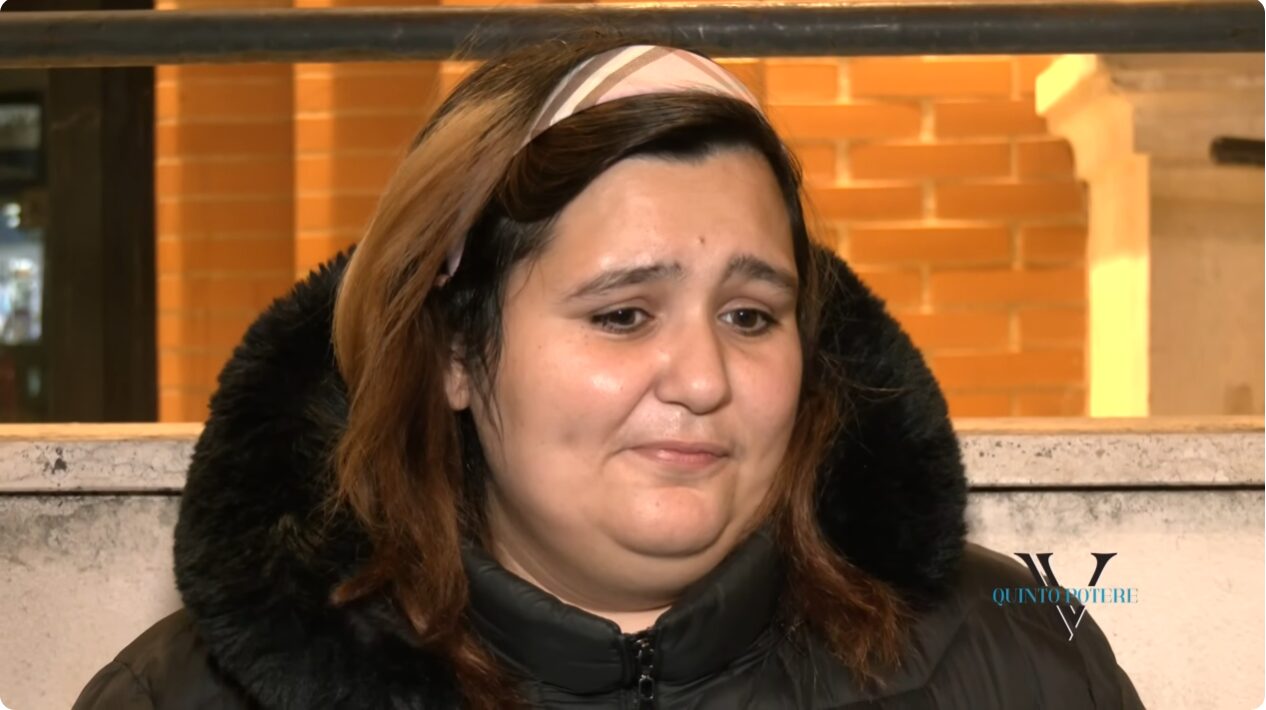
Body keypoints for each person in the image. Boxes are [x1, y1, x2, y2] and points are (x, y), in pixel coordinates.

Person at [73, 36, 1144, 709]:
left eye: (750, 315)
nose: (703, 379)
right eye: (623, 315)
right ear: (455, 351)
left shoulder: (1015, 661)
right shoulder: (185, 697)